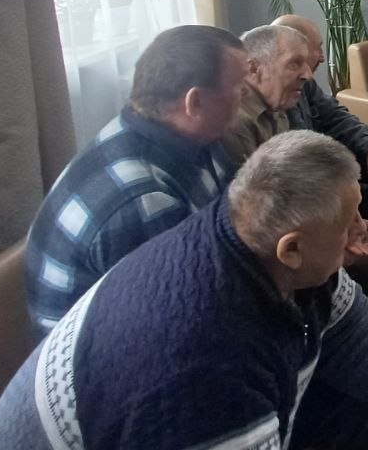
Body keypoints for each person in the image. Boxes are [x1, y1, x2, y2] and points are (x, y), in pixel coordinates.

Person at [0, 132, 368, 449]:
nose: (362, 236)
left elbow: (344, 317)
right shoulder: (206, 366)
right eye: (350, 223)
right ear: (291, 250)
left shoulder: (246, 235)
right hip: (178, 417)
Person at [227, 24, 368, 359]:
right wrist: (345, 228)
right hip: (296, 212)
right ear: (254, 67)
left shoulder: (280, 101)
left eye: (310, 55)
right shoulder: (240, 124)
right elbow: (272, 206)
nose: (311, 68)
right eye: (297, 61)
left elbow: (336, 119)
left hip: (317, 179)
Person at [24, 25, 248, 330]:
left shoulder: (195, 137)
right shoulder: (143, 200)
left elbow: (233, 216)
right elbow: (183, 317)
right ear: (194, 102)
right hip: (110, 349)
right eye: (239, 86)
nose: (246, 93)